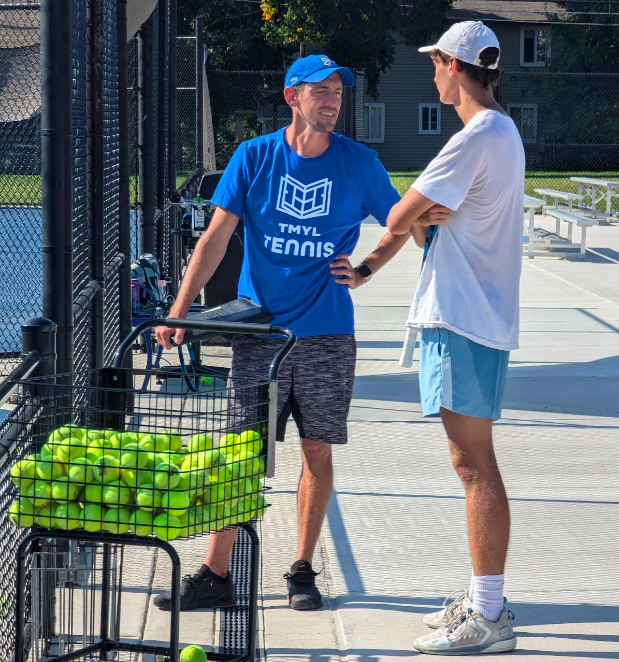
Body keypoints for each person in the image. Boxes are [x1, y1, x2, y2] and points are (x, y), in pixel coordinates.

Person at [154, 54, 443, 613]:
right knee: (241, 453)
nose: (332, 100)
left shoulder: (360, 163)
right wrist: (178, 312)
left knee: (316, 451)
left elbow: (403, 222)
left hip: (326, 334)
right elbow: (214, 240)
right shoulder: (255, 156)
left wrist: (365, 270)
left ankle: (302, 569)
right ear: (292, 97)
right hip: (259, 332)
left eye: (338, 91)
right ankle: (216, 574)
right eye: (321, 91)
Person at [386, 21, 524, 654]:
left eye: (436, 64)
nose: (433, 73)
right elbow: (422, 227)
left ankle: (489, 615)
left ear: (450, 64)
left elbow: (398, 216)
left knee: (474, 465)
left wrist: (417, 218)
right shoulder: (503, 130)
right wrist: (422, 221)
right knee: (471, 462)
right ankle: (481, 598)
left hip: (464, 319)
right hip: (475, 319)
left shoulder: (475, 136)